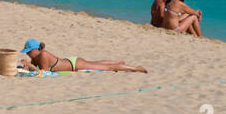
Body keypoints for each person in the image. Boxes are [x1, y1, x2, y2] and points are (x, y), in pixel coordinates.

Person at [18, 39, 146, 73]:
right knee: (97, 63)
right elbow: (33, 68)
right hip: (71, 62)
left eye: (29, 51)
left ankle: (136, 68)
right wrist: (26, 66)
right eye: (27, 52)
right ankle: (119, 62)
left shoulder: (43, 54)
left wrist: (30, 65)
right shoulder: (35, 57)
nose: (28, 53)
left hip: (74, 64)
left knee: (109, 68)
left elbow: (43, 72)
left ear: (36, 49)